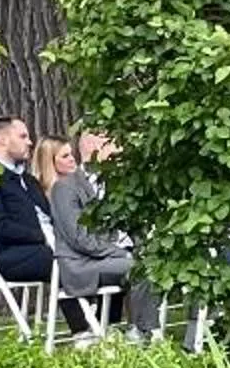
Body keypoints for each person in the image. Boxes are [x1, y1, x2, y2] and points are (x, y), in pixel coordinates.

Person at [52, 132, 158, 338]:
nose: (120, 152)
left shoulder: (116, 184)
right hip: (83, 263)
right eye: (112, 146)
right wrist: (121, 254)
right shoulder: (65, 188)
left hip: (114, 256)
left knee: (157, 265)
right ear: (93, 149)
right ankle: (145, 333)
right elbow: (79, 237)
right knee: (140, 270)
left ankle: (184, 331)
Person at [0, 115, 53, 292]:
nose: (30, 142)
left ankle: (104, 318)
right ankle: (85, 320)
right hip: (13, 255)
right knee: (67, 260)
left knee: (96, 260)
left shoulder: (29, 181)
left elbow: (49, 216)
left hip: (48, 247)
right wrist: (42, 236)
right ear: (2, 140)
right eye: (23, 137)